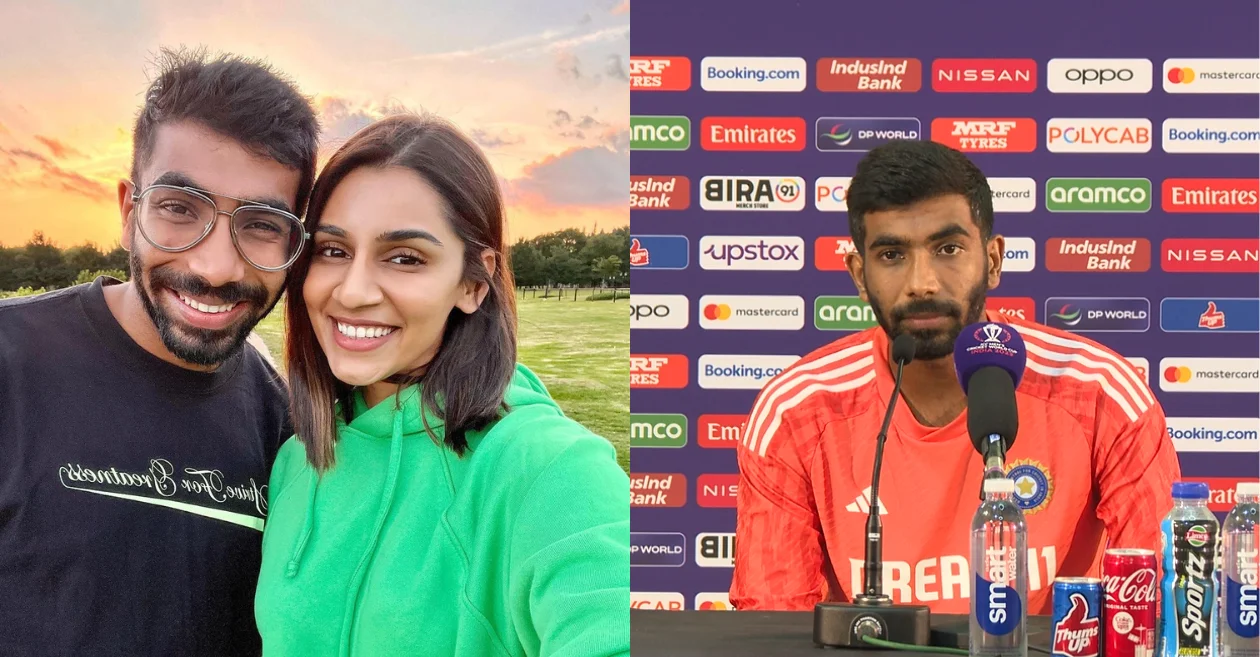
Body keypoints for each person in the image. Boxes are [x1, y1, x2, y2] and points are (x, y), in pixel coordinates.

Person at [729, 139, 1181, 615]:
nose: (922, 281)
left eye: (947, 248)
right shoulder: (797, 413)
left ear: (992, 260)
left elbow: (1166, 605)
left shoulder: (1099, 393)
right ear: (858, 274)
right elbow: (772, 625)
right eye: (891, 255)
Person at [253, 113, 630, 656]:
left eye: (405, 258)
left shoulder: (546, 468)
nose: (353, 292)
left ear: (474, 283)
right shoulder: (297, 461)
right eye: (333, 250)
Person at [0, 48, 318, 655]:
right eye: (178, 209)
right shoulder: (9, 363)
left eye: (261, 225)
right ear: (128, 211)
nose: (216, 266)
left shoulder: (288, 424)